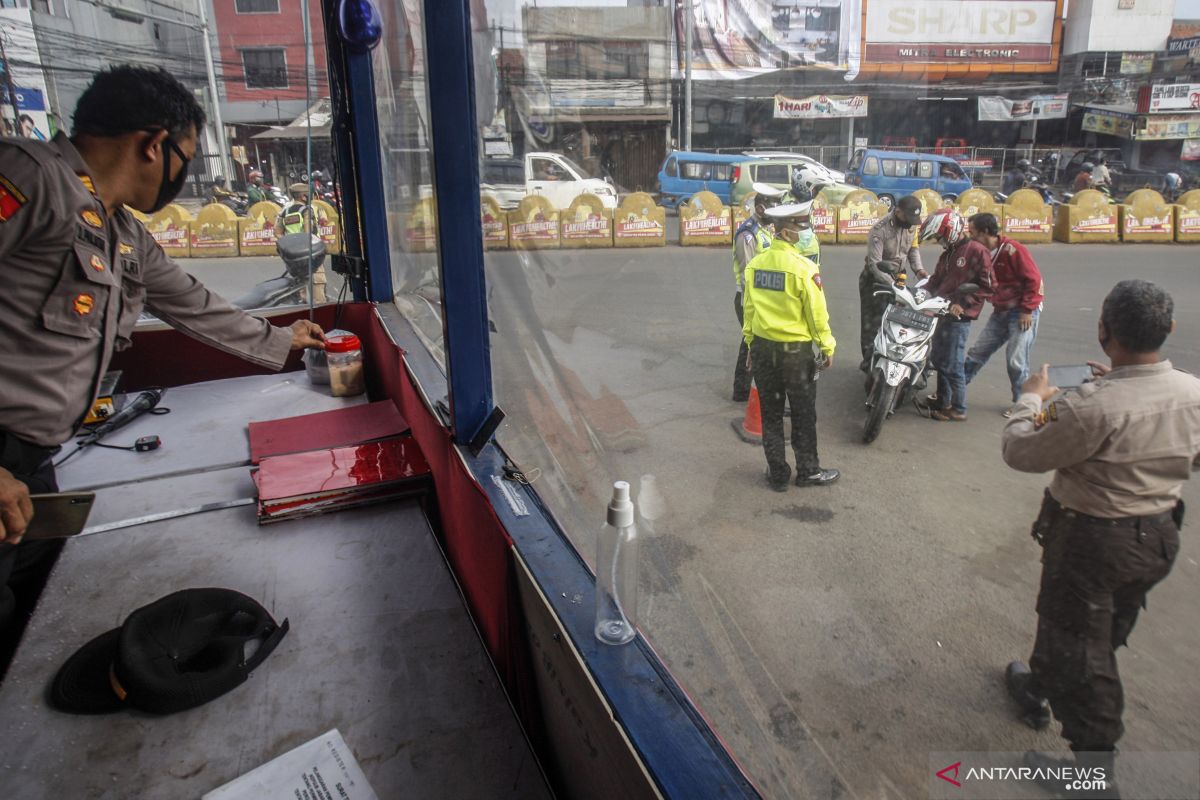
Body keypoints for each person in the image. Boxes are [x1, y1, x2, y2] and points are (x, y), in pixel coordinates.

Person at [0, 65, 326, 662]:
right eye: (188, 156)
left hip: (32, 462)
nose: (185, 174)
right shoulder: (31, 177)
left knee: (27, 617)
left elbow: (192, 303)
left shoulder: (120, 230)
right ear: (154, 144)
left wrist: (283, 342)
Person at [1000, 280, 1200, 795]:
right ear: (1169, 331)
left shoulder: (1092, 406)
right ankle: (1041, 683)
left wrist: (1029, 400)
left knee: (1083, 653)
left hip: (1093, 540)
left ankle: (1093, 772)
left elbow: (1022, 453)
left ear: (1103, 330)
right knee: (1097, 627)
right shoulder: (1192, 391)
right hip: (1157, 537)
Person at [742, 203, 838, 492]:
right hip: (795, 355)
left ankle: (778, 473)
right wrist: (827, 346)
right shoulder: (805, 269)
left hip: (762, 349)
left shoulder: (755, 265)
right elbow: (817, 315)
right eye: (801, 228)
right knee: (803, 414)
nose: (805, 233)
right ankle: (808, 471)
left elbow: (749, 311)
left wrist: (749, 344)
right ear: (787, 232)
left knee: (771, 414)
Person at [963, 213, 1045, 416]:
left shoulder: (1012, 250)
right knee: (977, 353)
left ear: (984, 232)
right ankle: (953, 391)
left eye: (972, 232)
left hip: (1023, 311)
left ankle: (1022, 405)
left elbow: (1034, 281)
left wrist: (1027, 311)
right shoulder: (980, 253)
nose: (969, 236)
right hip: (1001, 310)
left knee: (1016, 360)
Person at [919, 209, 993, 421]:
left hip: (959, 317)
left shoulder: (977, 251)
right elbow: (936, 281)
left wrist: (963, 304)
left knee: (953, 363)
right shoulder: (948, 254)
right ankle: (943, 400)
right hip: (942, 313)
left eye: (939, 236)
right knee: (939, 359)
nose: (938, 241)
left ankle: (958, 408)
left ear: (950, 231)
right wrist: (919, 294)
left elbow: (987, 286)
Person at [730, 182, 786, 402]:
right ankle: (743, 390)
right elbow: (747, 275)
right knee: (752, 342)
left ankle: (744, 389)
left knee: (753, 342)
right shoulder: (748, 235)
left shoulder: (766, 230)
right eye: (773, 209)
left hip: (764, 296)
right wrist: (759, 304)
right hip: (748, 298)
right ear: (761, 209)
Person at [860, 196, 925, 372]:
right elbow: (875, 264)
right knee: (873, 324)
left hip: (899, 278)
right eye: (908, 218)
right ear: (897, 212)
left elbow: (913, 250)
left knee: (897, 323)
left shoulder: (912, 226)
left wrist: (919, 271)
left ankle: (891, 360)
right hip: (876, 279)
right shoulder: (879, 230)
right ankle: (869, 364)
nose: (911, 223)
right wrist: (893, 285)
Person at [275, 182, 328, 303]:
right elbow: (307, 233)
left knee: (301, 287)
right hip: (311, 254)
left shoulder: (285, 212)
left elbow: (277, 232)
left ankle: (304, 304)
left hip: (295, 256)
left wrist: (290, 246)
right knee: (317, 284)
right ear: (304, 196)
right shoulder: (306, 210)